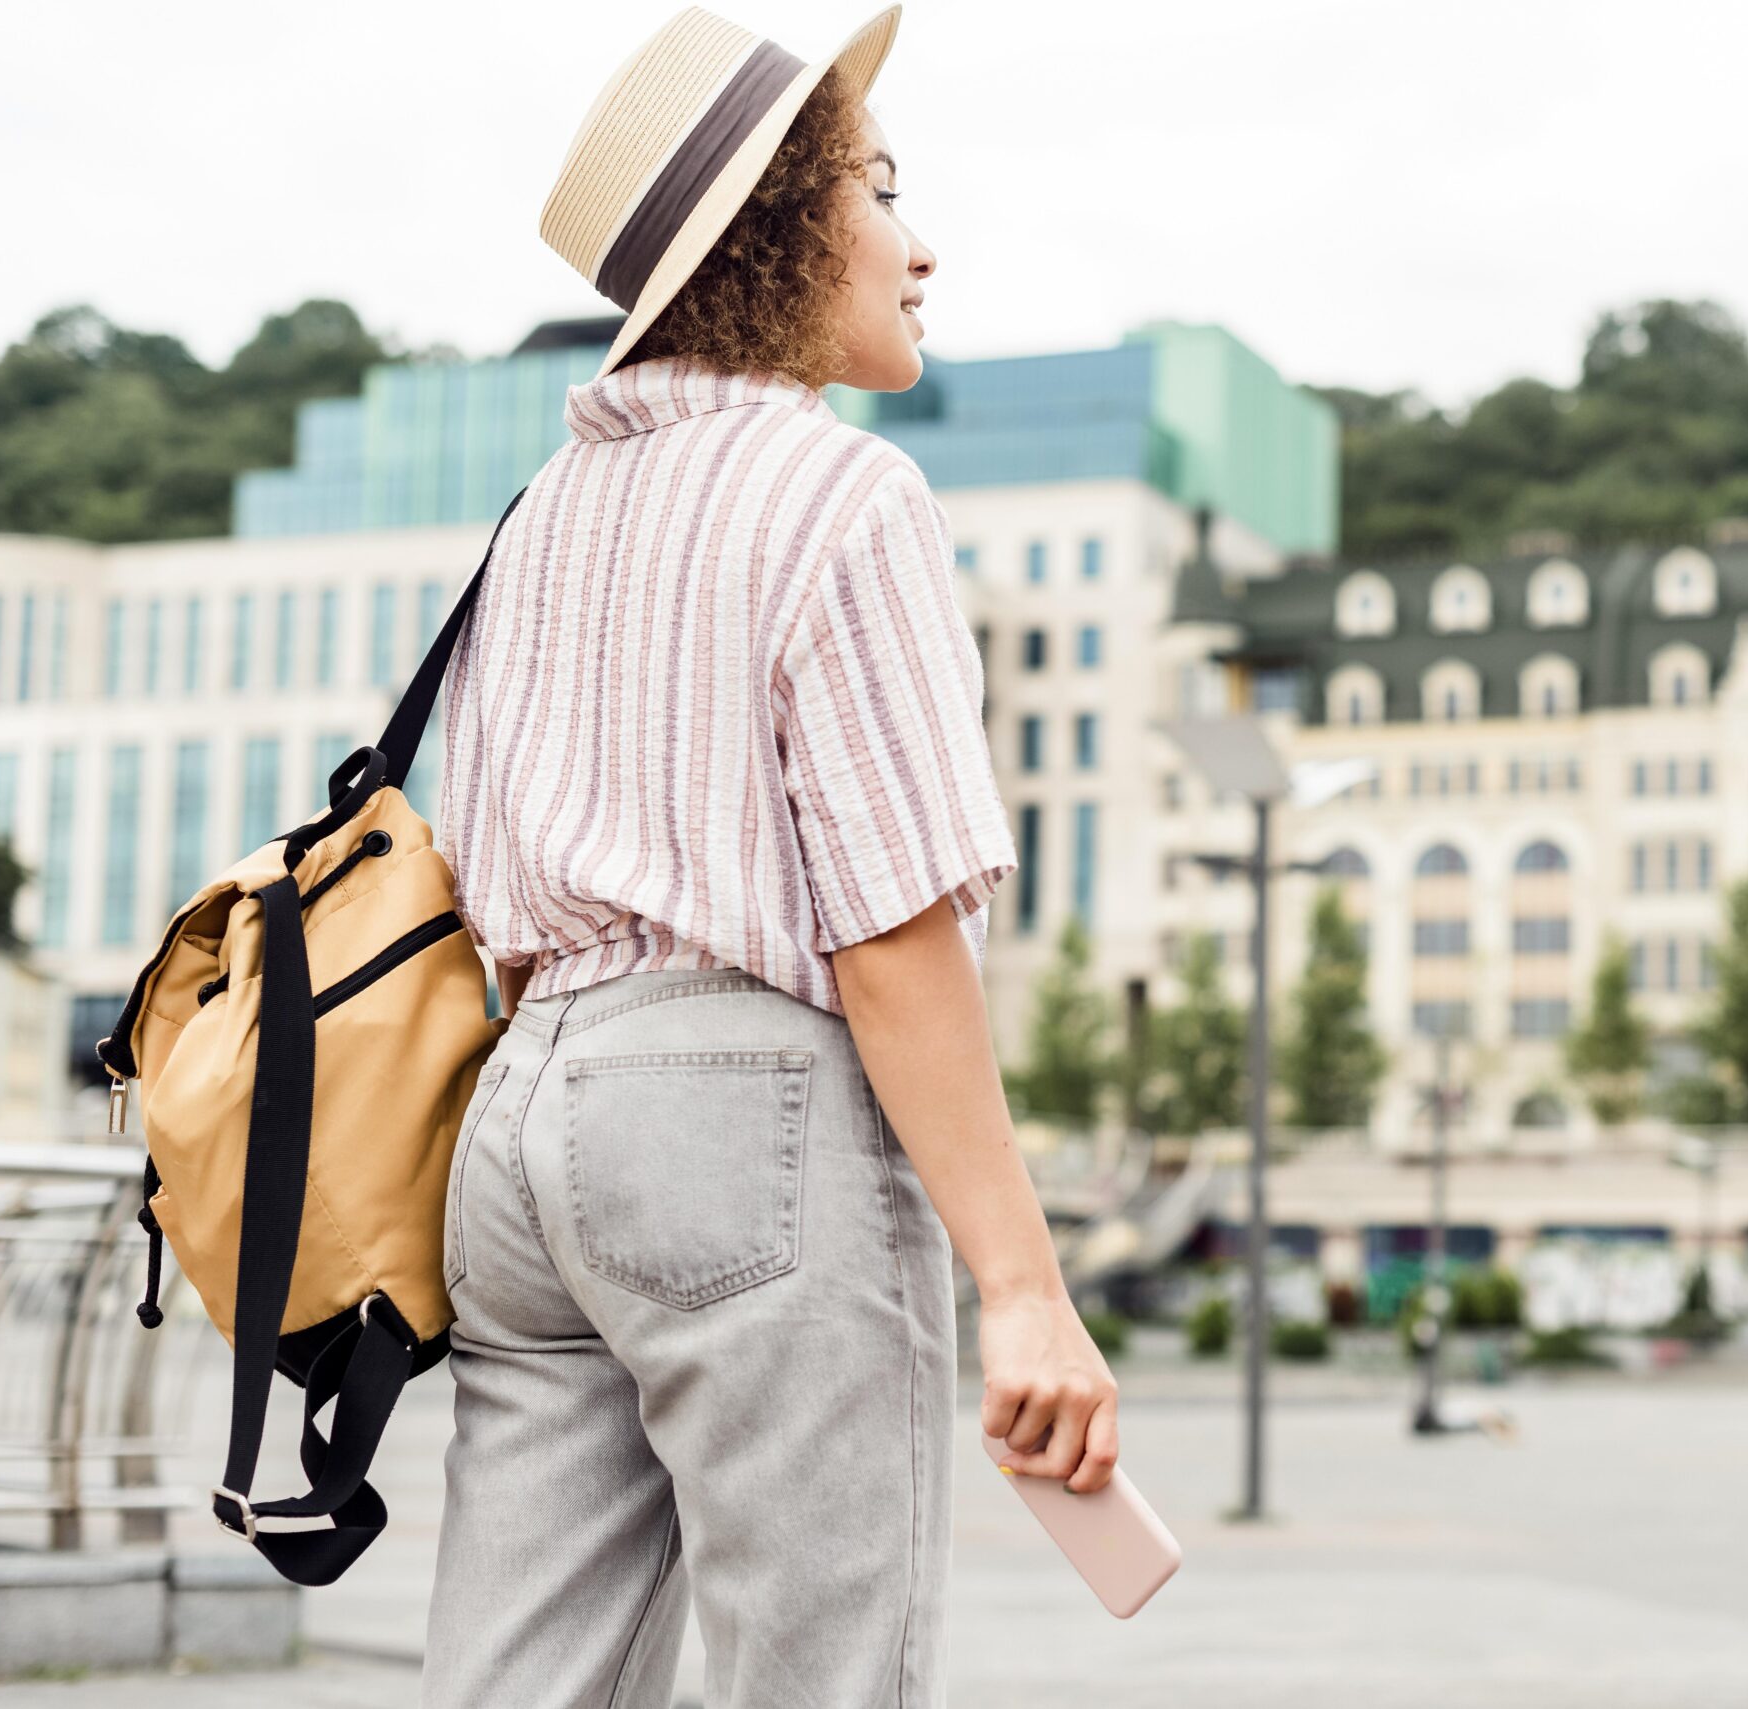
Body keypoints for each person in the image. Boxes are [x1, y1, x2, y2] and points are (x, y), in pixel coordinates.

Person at [419, 9, 1118, 1704]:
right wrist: (1024, 1289)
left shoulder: (538, 518)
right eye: (879, 186)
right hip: (744, 1114)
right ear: (781, 231)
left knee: (520, 1677)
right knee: (823, 1673)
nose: (919, 239)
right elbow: (887, 932)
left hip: (522, 1128)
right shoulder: (841, 495)